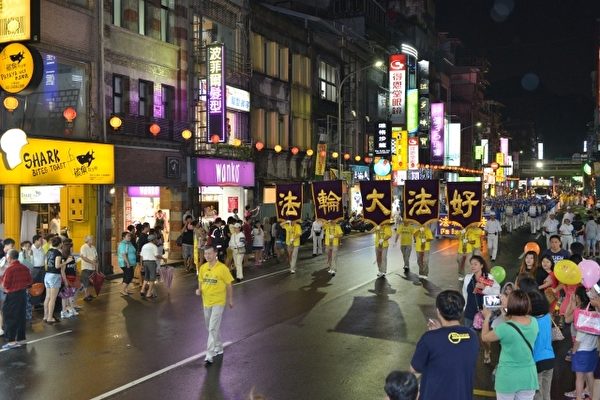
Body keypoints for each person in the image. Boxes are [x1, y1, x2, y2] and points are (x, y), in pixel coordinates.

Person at [410, 290, 479, 400]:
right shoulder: (472, 336)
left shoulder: (429, 339)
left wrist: (438, 333)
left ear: (438, 311)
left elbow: (414, 368)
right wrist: (441, 332)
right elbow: (454, 351)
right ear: (462, 311)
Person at [482, 290, 539, 400]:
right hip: (528, 377)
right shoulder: (534, 322)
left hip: (507, 377)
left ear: (511, 305)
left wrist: (486, 317)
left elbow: (484, 337)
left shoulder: (504, 328)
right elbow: (514, 322)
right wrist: (505, 308)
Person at [516, 277, 555, 400]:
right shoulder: (547, 317)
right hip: (550, 358)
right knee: (546, 394)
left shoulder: (530, 321)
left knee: (537, 395)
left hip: (536, 361)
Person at [196, 245, 234, 366]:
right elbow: (200, 281)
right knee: (210, 327)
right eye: (205, 254)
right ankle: (219, 346)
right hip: (206, 302)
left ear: (215, 253)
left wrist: (230, 300)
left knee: (212, 327)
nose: (207, 256)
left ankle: (209, 354)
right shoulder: (203, 267)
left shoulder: (222, 268)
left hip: (218, 302)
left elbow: (229, 285)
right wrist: (199, 290)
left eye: (209, 253)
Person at [462, 255, 500, 364]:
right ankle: (469, 355)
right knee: (468, 335)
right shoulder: (468, 278)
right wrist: (465, 307)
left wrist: (485, 288)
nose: (473, 266)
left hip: (484, 313)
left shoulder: (489, 277)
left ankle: (487, 351)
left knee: (484, 337)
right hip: (470, 311)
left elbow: (497, 292)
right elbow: (465, 293)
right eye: (471, 264)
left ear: (482, 265)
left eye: (475, 264)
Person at [565, 286, 598, 400]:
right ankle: (591, 397)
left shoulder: (582, 316)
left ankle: (579, 397)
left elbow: (579, 338)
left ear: (578, 297)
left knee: (579, 378)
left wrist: (573, 352)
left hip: (581, 351)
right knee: (590, 374)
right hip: (593, 349)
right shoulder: (595, 313)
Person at [0, 250, 32, 349]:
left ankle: (11, 342)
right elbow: (30, 282)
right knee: (21, 316)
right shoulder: (25, 268)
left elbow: (5, 285)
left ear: (9, 258)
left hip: (12, 296)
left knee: (10, 317)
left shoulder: (9, 269)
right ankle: (21, 338)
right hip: (23, 295)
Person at [43, 236, 70, 324]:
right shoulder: (58, 253)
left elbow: (46, 263)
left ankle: (45, 316)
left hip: (47, 275)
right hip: (54, 276)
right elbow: (57, 266)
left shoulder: (49, 251)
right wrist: (66, 262)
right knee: (53, 298)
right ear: (60, 244)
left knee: (47, 297)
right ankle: (50, 317)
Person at [140, 234, 165, 299]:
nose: (156, 240)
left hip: (145, 262)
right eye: (156, 239)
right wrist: (163, 258)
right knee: (152, 278)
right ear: (153, 240)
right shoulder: (154, 246)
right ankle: (149, 293)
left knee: (146, 276)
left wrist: (141, 264)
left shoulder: (144, 246)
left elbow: (141, 256)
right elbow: (156, 255)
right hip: (151, 263)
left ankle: (142, 290)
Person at [80, 235, 98, 302]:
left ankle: (89, 294)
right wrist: (92, 262)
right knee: (86, 282)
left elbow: (96, 255)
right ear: (87, 240)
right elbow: (83, 257)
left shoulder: (93, 247)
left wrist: (95, 260)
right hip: (86, 267)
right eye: (91, 239)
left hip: (92, 268)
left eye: (93, 239)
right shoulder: (83, 247)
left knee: (90, 282)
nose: (93, 240)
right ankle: (86, 296)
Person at [118, 231, 137, 296]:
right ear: (123, 237)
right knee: (129, 276)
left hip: (130, 263)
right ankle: (122, 290)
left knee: (127, 275)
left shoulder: (129, 243)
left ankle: (125, 289)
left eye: (130, 236)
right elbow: (123, 254)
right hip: (125, 263)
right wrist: (127, 263)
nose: (129, 237)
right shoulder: (123, 244)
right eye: (128, 236)